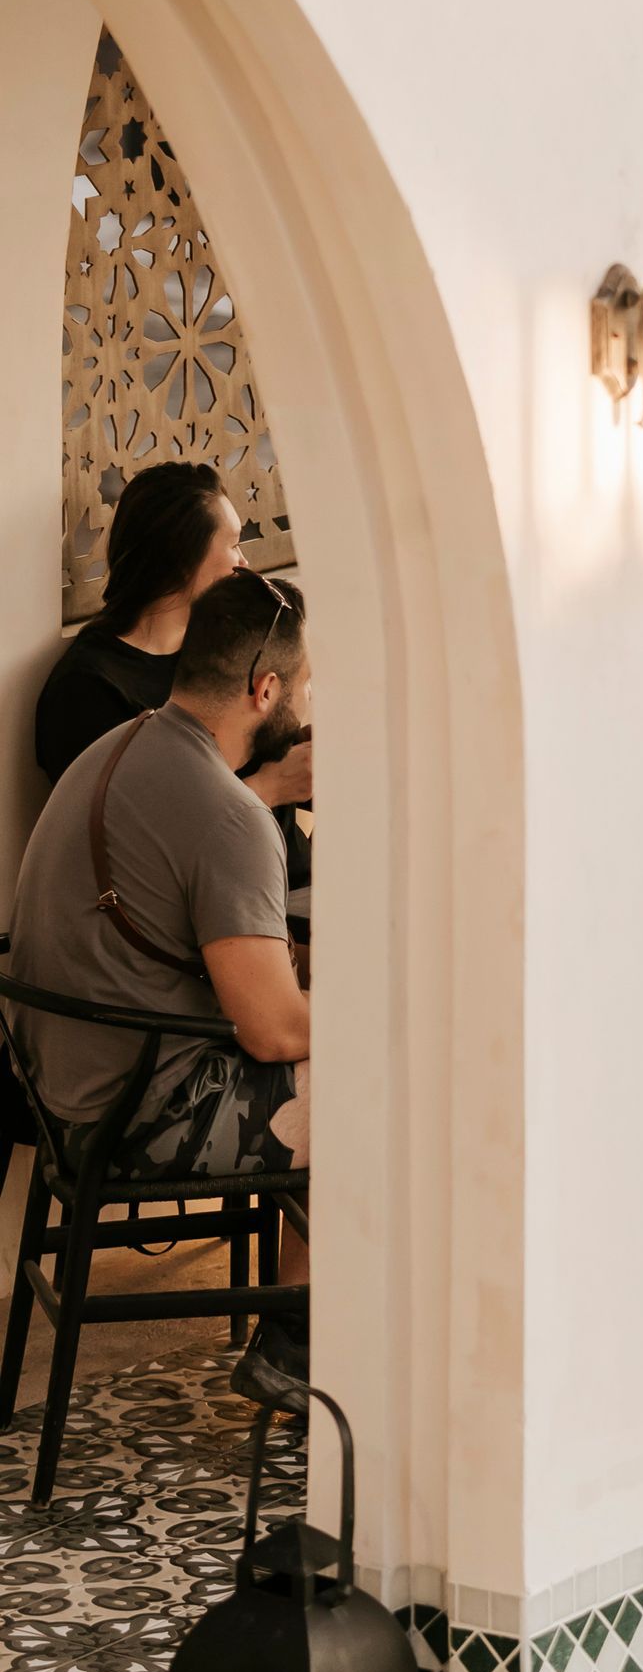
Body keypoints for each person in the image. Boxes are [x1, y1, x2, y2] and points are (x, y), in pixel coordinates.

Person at [8, 569, 314, 1407]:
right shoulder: (229, 815)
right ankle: (298, 1348)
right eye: (304, 686)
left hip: (58, 1097)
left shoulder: (123, 745)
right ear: (266, 690)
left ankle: (303, 1326)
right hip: (133, 1117)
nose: (306, 706)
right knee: (380, 1093)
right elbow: (274, 1033)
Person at [35, 460, 312, 858]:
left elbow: (259, 751)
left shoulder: (222, 644)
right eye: (233, 544)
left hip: (293, 871)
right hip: (228, 889)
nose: (244, 564)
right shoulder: (87, 689)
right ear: (182, 558)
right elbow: (136, 846)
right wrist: (270, 788)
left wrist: (304, 753)